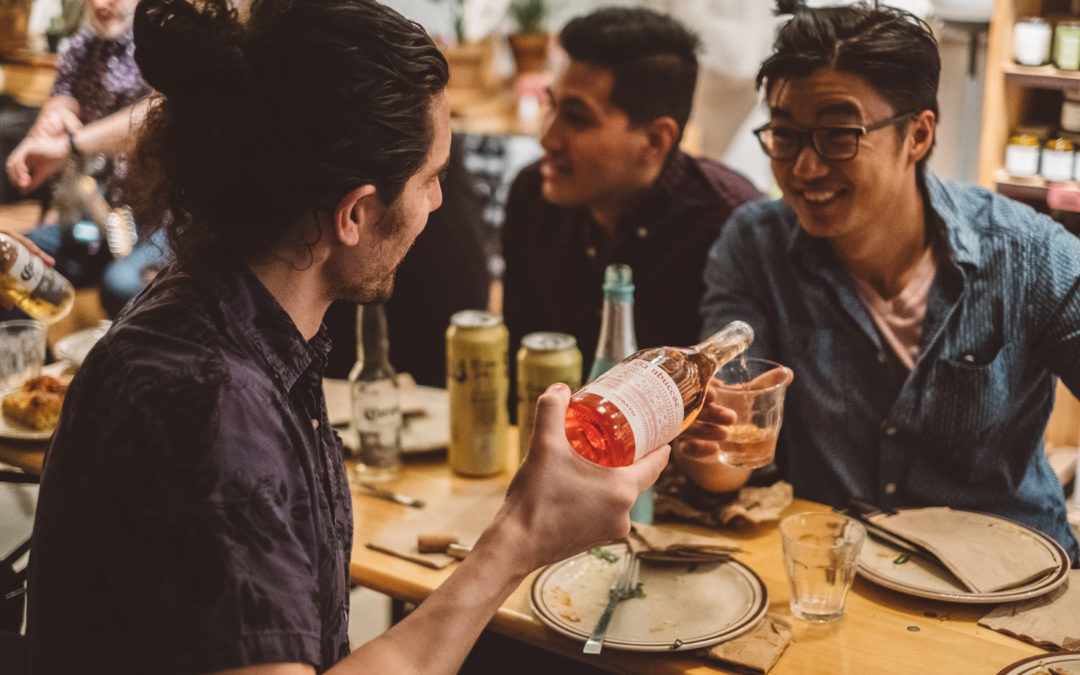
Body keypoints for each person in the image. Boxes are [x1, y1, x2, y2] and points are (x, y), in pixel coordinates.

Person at [22, 0, 704, 672]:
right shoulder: (210, 406)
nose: (437, 204)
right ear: (354, 212)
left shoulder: (226, 320)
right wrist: (518, 539)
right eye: (432, 179)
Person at [690, 3, 1080, 564]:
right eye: (786, 135)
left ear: (917, 135)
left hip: (1007, 582)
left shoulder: (1026, 253)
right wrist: (713, 443)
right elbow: (729, 443)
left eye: (837, 135)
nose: (803, 167)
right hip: (839, 577)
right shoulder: (756, 246)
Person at [501, 6, 762, 389]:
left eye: (576, 118)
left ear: (656, 140)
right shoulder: (533, 194)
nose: (547, 138)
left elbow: (735, 399)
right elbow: (516, 366)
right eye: (551, 105)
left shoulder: (729, 224)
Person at [3, 0, 161, 316]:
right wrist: (43, 134)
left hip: (155, 219)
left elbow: (152, 115)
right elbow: (62, 100)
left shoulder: (159, 45)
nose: (106, 3)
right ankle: (33, 359)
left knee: (122, 286)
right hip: (91, 213)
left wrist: (71, 144)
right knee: (14, 265)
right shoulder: (81, 46)